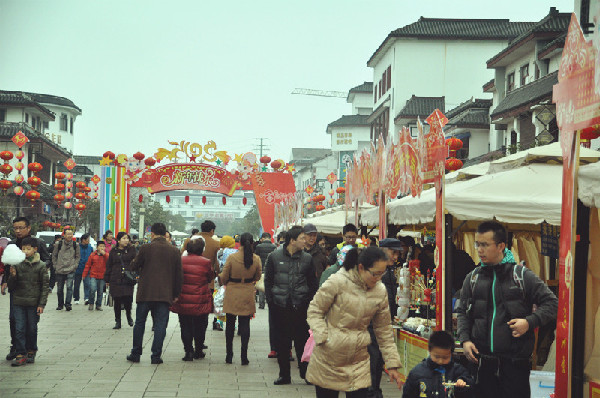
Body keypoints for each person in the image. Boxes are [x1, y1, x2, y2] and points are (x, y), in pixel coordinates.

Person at [456, 221, 558, 398]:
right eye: (477, 244)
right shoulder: (472, 278)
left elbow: (553, 303)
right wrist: (464, 340)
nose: (479, 250)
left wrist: (529, 322)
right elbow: (463, 312)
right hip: (482, 365)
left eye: (485, 245)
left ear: (501, 246)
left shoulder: (521, 276)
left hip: (515, 366)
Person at [306, 247, 403, 397]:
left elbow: (384, 330)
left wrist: (392, 364)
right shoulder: (337, 281)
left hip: (359, 359)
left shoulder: (380, 291)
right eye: (375, 273)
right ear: (361, 267)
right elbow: (315, 310)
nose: (378, 278)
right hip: (329, 357)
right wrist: (324, 337)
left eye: (381, 273)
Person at [264, 226, 318, 385]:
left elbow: (312, 283)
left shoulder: (307, 259)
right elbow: (268, 281)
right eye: (302, 238)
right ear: (292, 240)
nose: (305, 240)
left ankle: (305, 373)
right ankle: (284, 375)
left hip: (300, 306)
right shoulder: (274, 256)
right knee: (282, 342)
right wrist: (271, 300)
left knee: (302, 341)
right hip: (280, 305)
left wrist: (307, 300)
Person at [127, 223, 183, 365]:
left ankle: (136, 353)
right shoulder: (174, 250)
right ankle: (156, 356)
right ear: (165, 234)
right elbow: (178, 275)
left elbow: (134, 266)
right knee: (160, 325)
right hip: (165, 294)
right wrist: (176, 294)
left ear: (152, 234)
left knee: (139, 323)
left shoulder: (146, 248)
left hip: (146, 292)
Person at [2, 217, 50, 361]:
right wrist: (5, 281)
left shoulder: (38, 243)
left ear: (28, 228)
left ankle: (29, 348)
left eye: (21, 227)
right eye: (15, 228)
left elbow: (48, 260)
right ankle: (16, 347)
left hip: (32, 289)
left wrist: (38, 268)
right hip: (16, 288)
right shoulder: (11, 244)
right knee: (14, 319)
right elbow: (6, 266)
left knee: (30, 323)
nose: (18, 230)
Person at [368, 238, 404, 398]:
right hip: (369, 323)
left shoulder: (388, 270)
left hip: (383, 322)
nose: (396, 256)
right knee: (372, 358)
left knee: (378, 360)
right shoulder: (371, 270)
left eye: (397, 253)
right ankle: (371, 391)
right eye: (393, 252)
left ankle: (375, 390)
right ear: (382, 250)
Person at [219, 232, 262, 365]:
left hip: (232, 291)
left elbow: (224, 276)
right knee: (245, 325)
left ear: (240, 242)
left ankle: (229, 354)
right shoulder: (256, 259)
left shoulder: (232, 258)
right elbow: (258, 276)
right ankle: (244, 355)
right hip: (247, 291)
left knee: (230, 325)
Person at [171, 238, 213, 361]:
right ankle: (198, 350)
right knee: (200, 325)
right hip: (200, 298)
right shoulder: (206, 262)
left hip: (183, 298)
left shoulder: (180, 260)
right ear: (201, 249)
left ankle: (188, 351)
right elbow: (210, 277)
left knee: (185, 325)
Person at [401, 331, 473, 398]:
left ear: (451, 354)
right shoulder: (417, 372)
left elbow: (469, 390)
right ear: (429, 351)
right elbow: (408, 394)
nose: (440, 361)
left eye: (445, 357)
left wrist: (462, 384)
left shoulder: (458, 371)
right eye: (437, 357)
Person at [104, 232, 136, 329]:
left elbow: (135, 260)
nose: (126, 240)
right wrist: (107, 279)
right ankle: (118, 321)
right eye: (124, 238)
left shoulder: (131, 250)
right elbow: (109, 265)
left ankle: (128, 316)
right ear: (118, 240)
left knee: (128, 299)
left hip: (128, 279)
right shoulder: (113, 251)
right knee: (117, 300)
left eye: (127, 238)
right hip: (115, 278)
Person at [199, 220, 221, 331]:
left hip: (189, 280)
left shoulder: (190, 240)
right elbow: (216, 264)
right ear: (212, 231)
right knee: (205, 310)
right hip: (208, 282)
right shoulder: (215, 244)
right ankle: (200, 339)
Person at [52, 229, 81, 311]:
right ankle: (60, 304)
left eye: (71, 234)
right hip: (60, 269)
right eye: (68, 234)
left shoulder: (76, 245)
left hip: (71, 268)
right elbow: (54, 256)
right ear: (64, 235)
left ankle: (68, 304)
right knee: (59, 288)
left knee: (69, 287)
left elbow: (78, 256)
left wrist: (75, 265)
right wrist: (55, 265)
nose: (69, 236)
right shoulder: (59, 244)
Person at [82, 241, 108, 311]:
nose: (102, 248)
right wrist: (84, 274)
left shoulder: (106, 255)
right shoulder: (92, 255)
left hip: (102, 276)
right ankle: (91, 303)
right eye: (100, 246)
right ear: (97, 247)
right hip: (93, 275)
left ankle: (98, 305)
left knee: (100, 291)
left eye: (103, 246)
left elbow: (109, 261)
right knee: (92, 289)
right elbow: (88, 265)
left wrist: (104, 254)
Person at [255, 232, 276, 310]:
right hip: (270, 269)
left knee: (261, 286)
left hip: (261, 268)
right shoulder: (273, 247)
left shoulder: (259, 247)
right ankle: (270, 302)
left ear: (263, 238)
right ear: (270, 238)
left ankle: (261, 304)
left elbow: (256, 258)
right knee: (270, 285)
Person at [73, 234, 93, 305]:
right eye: (88, 239)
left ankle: (86, 298)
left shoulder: (90, 247)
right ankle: (76, 298)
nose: (89, 241)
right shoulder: (77, 247)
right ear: (83, 240)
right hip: (78, 268)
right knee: (76, 284)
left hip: (87, 269)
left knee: (87, 284)